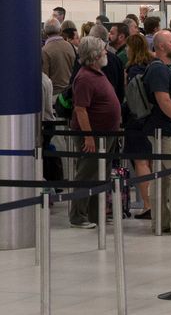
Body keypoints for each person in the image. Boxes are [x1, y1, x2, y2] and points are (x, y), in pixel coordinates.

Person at [67, 36, 121, 229]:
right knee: (86, 174)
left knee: (101, 174)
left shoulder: (98, 73)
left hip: (107, 134)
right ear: (95, 55)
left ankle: (95, 213)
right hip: (93, 135)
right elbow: (81, 109)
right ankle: (78, 215)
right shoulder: (84, 78)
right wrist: (88, 136)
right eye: (103, 50)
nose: (106, 52)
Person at [142, 29, 171, 234]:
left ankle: (161, 222)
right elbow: (163, 100)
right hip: (164, 130)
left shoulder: (165, 68)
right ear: (160, 46)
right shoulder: (159, 70)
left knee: (161, 177)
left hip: (162, 129)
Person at [122, 33, 154, 218]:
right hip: (150, 120)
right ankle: (153, 202)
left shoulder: (133, 69)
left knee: (141, 161)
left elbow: (133, 99)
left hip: (137, 120)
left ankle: (148, 204)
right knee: (150, 161)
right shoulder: (151, 65)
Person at [41, 19, 75, 92]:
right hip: (69, 92)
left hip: (53, 94)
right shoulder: (70, 46)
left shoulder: (44, 50)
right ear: (60, 30)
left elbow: (45, 77)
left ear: (44, 32)